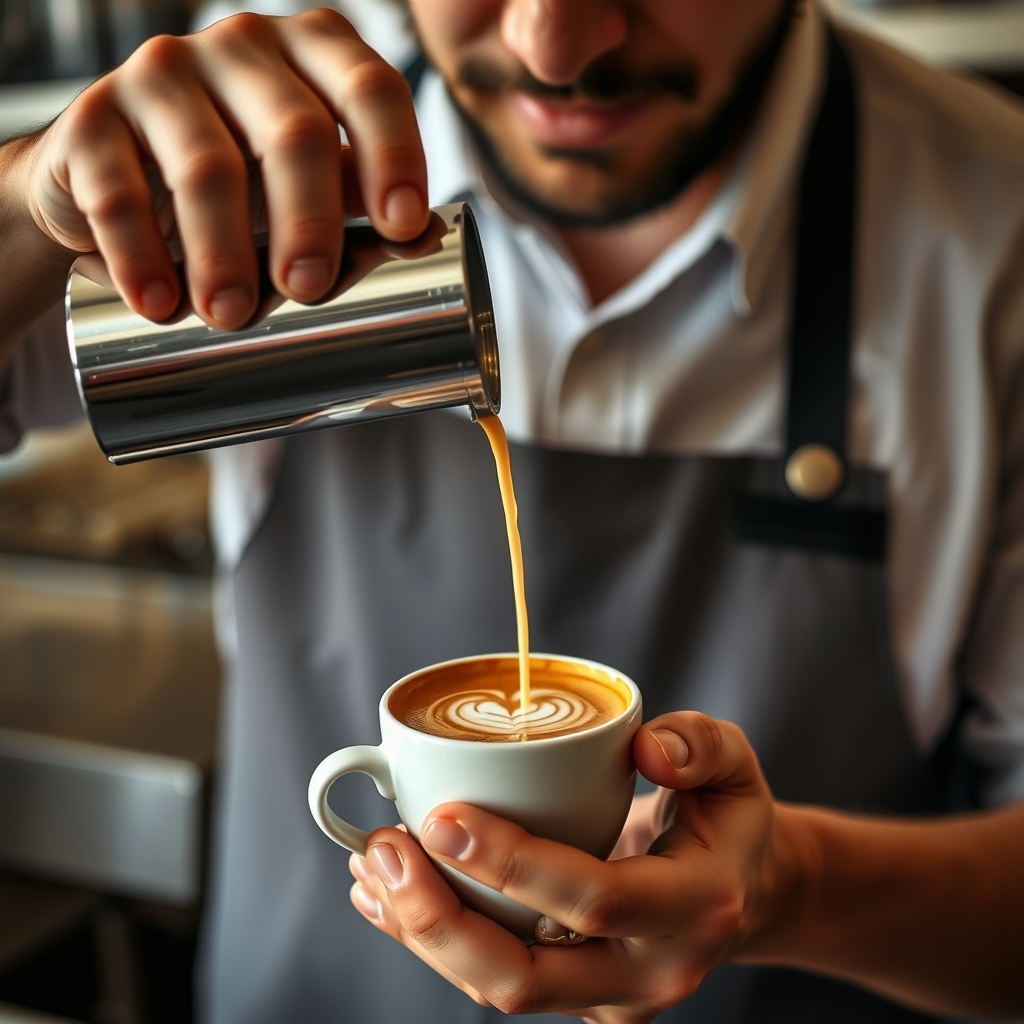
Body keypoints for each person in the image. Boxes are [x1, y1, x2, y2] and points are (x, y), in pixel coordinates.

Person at [0, 0, 1022, 1021]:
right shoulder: (249, 140)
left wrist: (796, 885)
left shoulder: (994, 225)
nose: (552, 49)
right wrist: (25, 207)